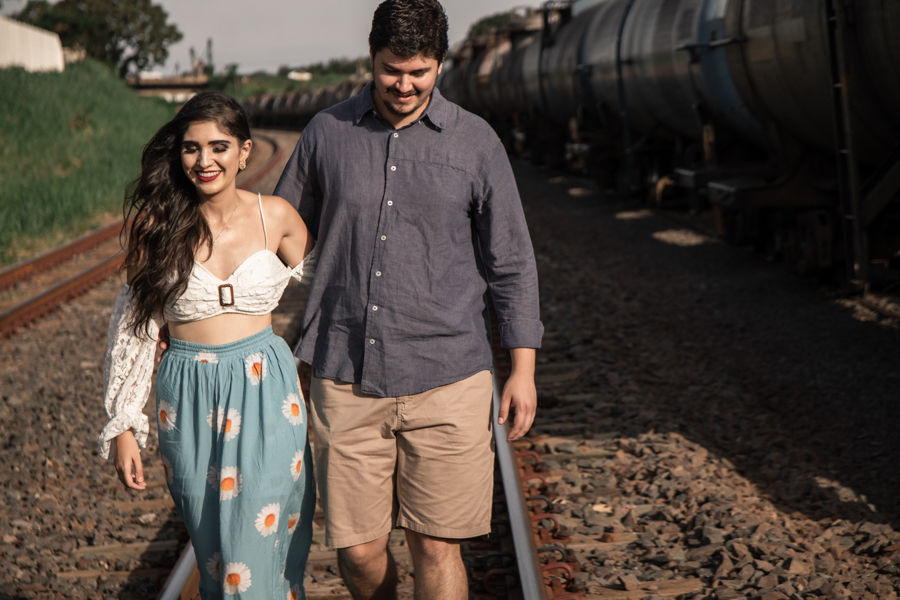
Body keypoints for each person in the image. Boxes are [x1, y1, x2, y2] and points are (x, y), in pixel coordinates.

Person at [273, 1, 543, 598]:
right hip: (346, 371)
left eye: (418, 71)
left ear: (439, 65)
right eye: (391, 69)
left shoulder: (476, 143)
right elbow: (276, 237)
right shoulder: (327, 133)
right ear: (371, 58)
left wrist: (522, 370)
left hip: (448, 375)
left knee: (437, 546)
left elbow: (512, 262)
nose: (403, 84)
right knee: (359, 552)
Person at [98, 91, 317, 600]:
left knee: (254, 550)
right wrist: (124, 424)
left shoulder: (277, 217)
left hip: (266, 391)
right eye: (191, 148)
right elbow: (133, 329)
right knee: (215, 556)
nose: (205, 160)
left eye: (219, 147)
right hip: (188, 398)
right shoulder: (157, 228)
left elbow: (332, 292)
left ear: (244, 151)